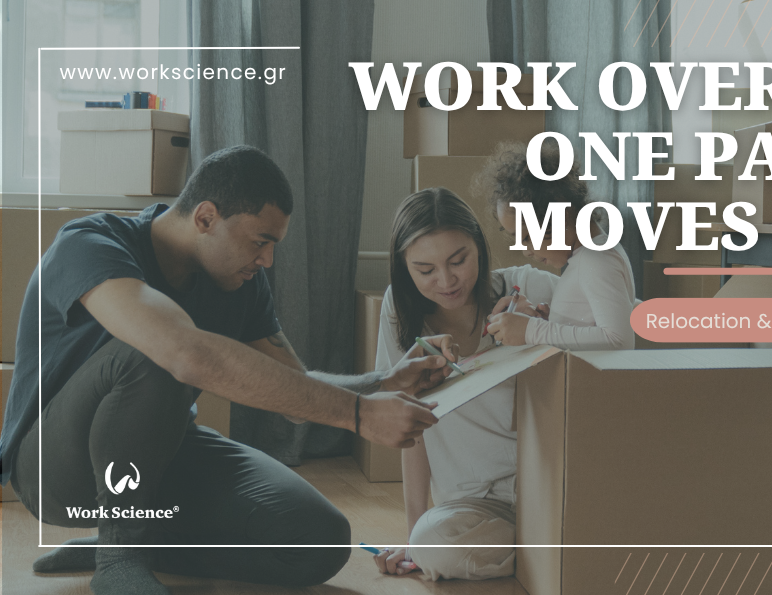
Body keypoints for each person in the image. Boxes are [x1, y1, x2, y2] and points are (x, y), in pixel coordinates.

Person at [0, 146, 455, 595]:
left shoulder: (240, 282)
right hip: (54, 468)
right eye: (260, 242)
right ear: (205, 218)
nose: (267, 261)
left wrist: (380, 383)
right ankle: (121, 557)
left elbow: (297, 393)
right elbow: (182, 353)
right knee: (158, 351)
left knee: (318, 541)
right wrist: (359, 415)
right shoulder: (89, 244)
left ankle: (137, 542)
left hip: (162, 456)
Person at [371, 188, 559, 581]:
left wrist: (544, 326)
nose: (446, 280)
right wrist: (412, 535)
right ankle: (555, 554)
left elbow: (624, 330)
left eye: (459, 261)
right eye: (425, 270)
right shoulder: (399, 314)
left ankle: (554, 549)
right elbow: (411, 428)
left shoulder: (525, 287)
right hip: (475, 506)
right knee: (430, 543)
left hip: (549, 488)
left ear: (479, 245)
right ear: (404, 267)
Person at [477, 141, 637, 351]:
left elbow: (619, 341)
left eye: (527, 237)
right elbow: (591, 326)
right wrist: (553, 323)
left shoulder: (597, 259)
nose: (526, 251)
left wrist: (532, 330)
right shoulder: (588, 256)